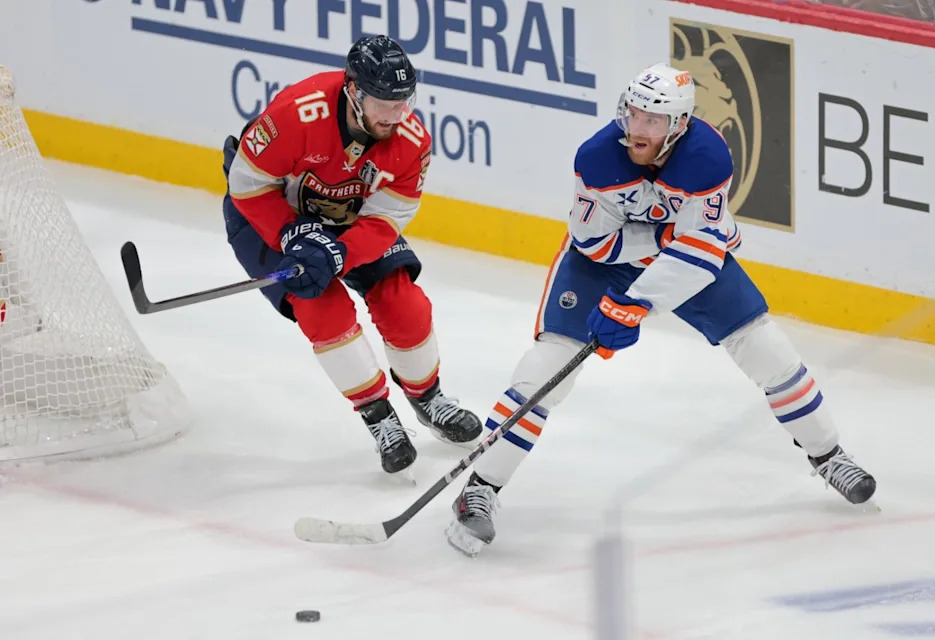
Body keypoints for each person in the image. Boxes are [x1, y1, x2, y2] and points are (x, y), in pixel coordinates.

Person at [445, 63, 877, 556]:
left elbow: (700, 255)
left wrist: (635, 305)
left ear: (678, 125)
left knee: (767, 349)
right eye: (633, 114)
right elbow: (593, 242)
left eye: (652, 120)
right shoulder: (597, 157)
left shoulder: (707, 157)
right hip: (603, 265)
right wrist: (660, 241)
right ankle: (480, 487)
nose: (637, 128)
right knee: (547, 369)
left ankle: (828, 456)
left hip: (684, 264)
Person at [221, 35, 481, 476]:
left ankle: (428, 397)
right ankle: (378, 415)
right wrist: (291, 235)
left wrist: (340, 253)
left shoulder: (410, 138)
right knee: (321, 308)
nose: (396, 116)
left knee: (404, 303)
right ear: (354, 92)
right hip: (267, 213)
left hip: (349, 217)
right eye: (384, 103)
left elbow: (387, 218)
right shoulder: (296, 114)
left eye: (404, 102)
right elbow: (247, 183)